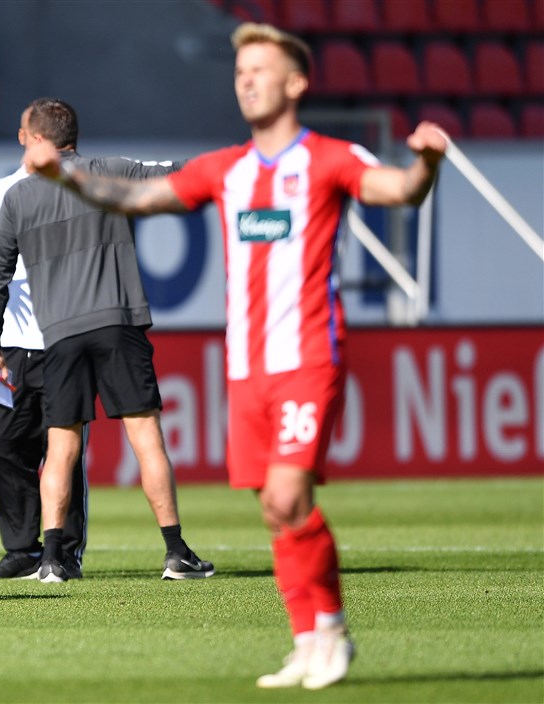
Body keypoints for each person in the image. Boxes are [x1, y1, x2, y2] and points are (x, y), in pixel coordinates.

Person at [23, 22, 448, 690]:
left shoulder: (330, 158)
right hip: (246, 371)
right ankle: (306, 641)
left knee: (288, 492)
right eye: (240, 70)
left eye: (260, 69)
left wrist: (426, 163)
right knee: (274, 509)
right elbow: (136, 197)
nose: (246, 80)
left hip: (307, 358)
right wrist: (67, 175)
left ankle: (332, 630)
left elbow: (401, 191)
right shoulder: (228, 169)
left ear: (296, 83)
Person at [0, 97, 216, 584]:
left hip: (58, 334)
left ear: (38, 138)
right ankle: (176, 552)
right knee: (146, 438)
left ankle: (51, 559)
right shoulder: (111, 170)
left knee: (60, 446)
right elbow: (181, 173)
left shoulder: (19, 197)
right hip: (117, 321)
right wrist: (237, 165)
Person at [0, 107, 88, 579]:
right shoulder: (1, 190)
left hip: (63, 337)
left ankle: (65, 551)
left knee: (63, 448)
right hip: (10, 343)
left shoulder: (78, 185)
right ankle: (21, 549)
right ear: (25, 136)